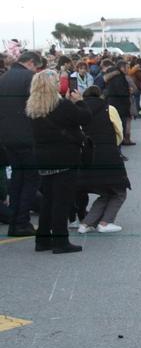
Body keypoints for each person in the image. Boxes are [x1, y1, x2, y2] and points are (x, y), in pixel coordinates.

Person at [27, 70, 91, 253]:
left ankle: (43, 239)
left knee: (48, 199)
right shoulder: (62, 106)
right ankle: (61, 241)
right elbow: (85, 118)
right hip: (64, 156)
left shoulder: (33, 107)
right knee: (61, 201)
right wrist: (79, 101)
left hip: (42, 158)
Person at [0, 51, 44, 237]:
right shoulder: (30, 78)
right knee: (30, 179)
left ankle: (14, 221)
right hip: (27, 136)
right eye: (37, 66)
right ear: (32, 63)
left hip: (6, 137)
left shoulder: (4, 77)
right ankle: (22, 222)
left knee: (17, 179)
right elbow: (38, 107)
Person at [76, 86, 129, 234]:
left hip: (86, 156)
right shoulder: (109, 109)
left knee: (106, 192)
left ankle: (86, 223)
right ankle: (105, 222)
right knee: (119, 191)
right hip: (108, 155)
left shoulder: (78, 108)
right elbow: (119, 132)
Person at [104, 59, 134, 147]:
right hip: (119, 103)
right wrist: (128, 92)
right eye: (127, 67)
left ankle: (123, 139)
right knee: (121, 122)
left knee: (120, 121)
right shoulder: (118, 77)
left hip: (115, 102)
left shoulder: (115, 75)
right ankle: (122, 139)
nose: (128, 69)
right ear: (122, 67)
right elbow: (119, 90)